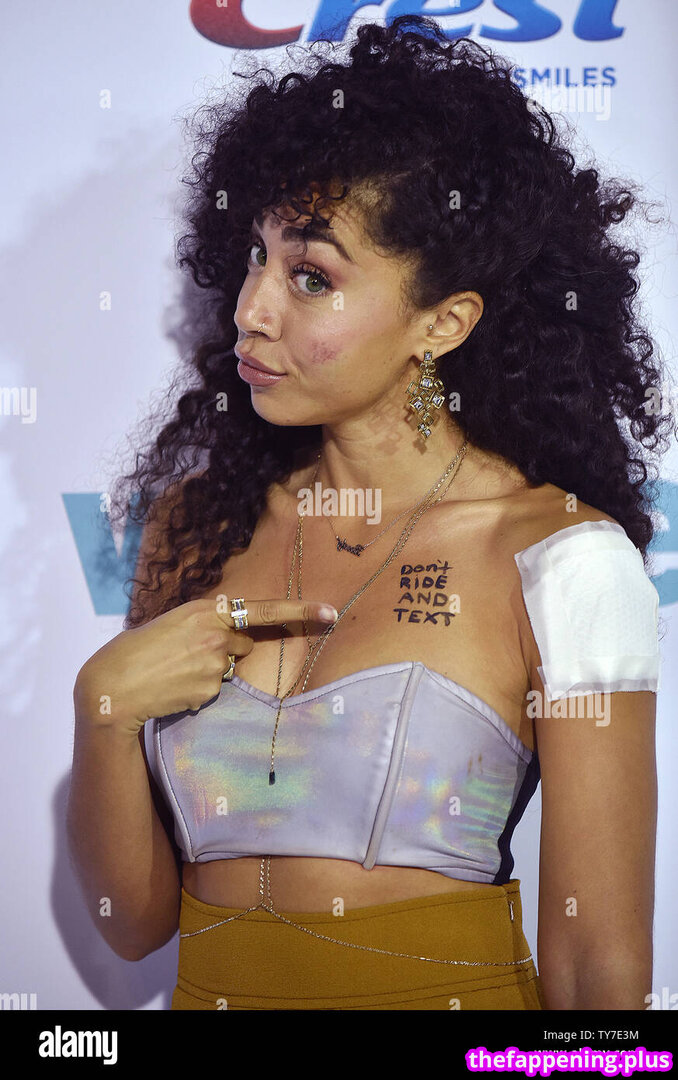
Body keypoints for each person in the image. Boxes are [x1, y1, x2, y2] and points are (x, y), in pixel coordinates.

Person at [66, 15, 671, 1010]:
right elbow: (131, 926)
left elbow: (597, 969)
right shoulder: (196, 525)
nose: (252, 309)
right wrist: (102, 709)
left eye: (311, 276)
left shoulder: (564, 559)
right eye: (256, 255)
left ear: (445, 322)